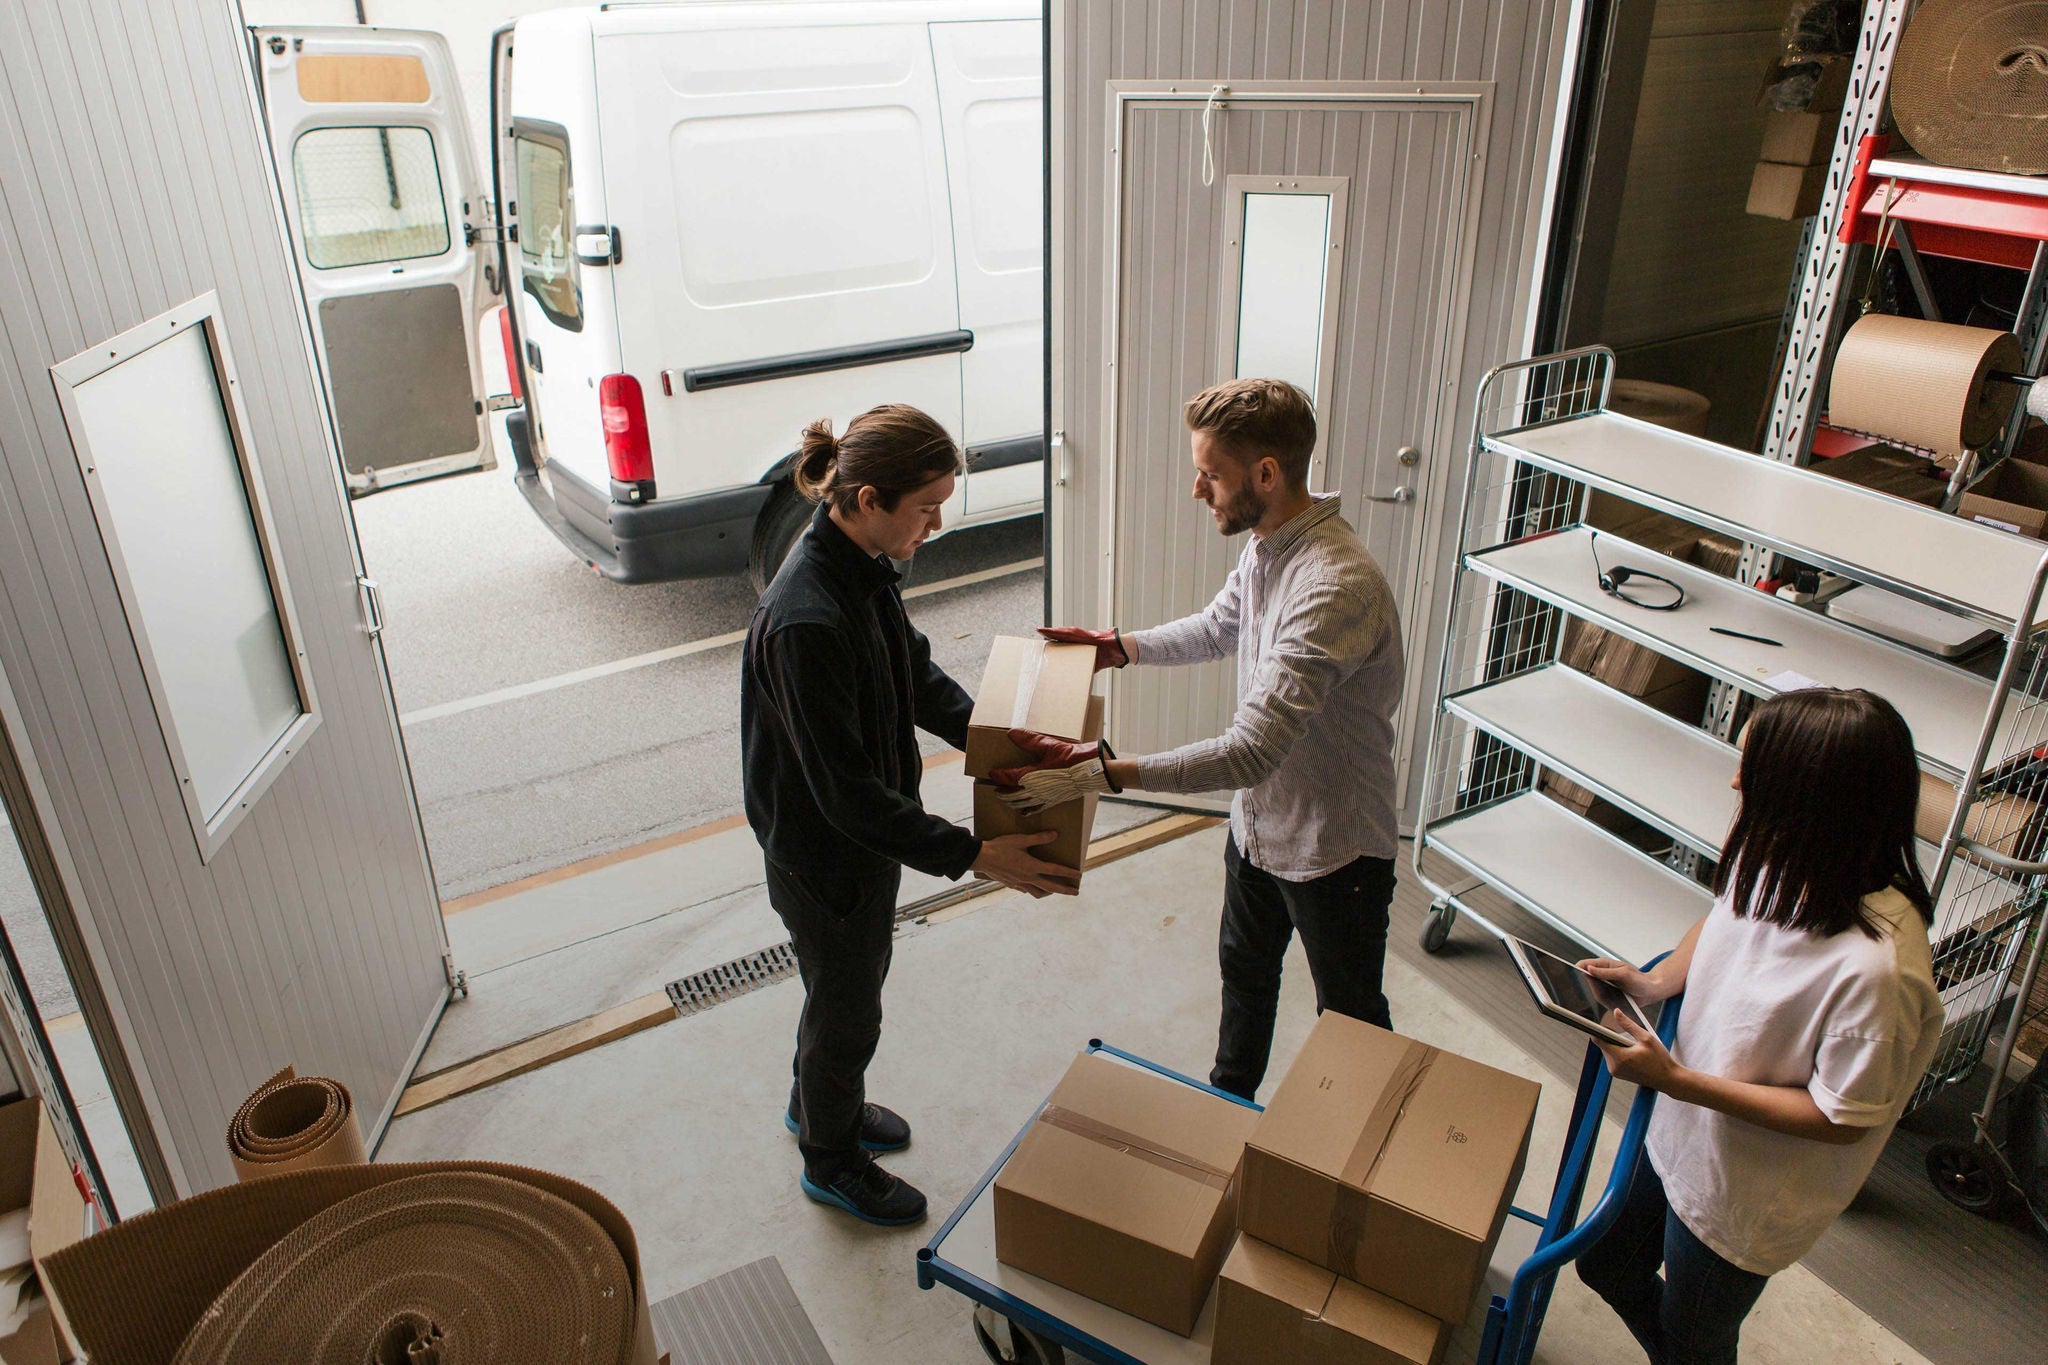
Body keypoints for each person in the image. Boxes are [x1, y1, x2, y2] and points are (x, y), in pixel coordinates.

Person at [992, 378, 1404, 1101]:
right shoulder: (1267, 548)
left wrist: (1104, 773)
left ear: (1266, 474)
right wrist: (1120, 646)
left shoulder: (1336, 586)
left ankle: (1362, 1168)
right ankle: (1223, 1111)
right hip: (1257, 828)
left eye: (1210, 473)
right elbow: (1219, 626)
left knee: (1351, 1021)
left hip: (1336, 848)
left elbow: (1249, 750)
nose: (1197, 489)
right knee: (1244, 983)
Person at [741, 404, 1079, 1227]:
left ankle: (816, 1106)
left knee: (839, 992)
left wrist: (1001, 745)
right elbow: (847, 795)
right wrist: (974, 853)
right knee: (850, 1006)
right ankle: (830, 1157)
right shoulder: (808, 619)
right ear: (863, 498)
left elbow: (916, 677)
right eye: (925, 508)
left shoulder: (859, 564)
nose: (937, 523)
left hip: (861, 835)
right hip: (828, 853)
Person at [1574, 688, 1944, 1365]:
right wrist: (1655, 981)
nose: (1735, 778)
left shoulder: (1879, 970)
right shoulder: (1777, 850)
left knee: (1695, 1342)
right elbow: (1723, 922)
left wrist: (1682, 1081)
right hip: (1679, 1133)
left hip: (1741, 1196)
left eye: (1753, 767)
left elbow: (1841, 1117)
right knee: (1603, 1264)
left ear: (1807, 795)